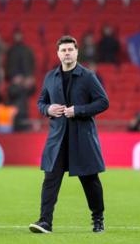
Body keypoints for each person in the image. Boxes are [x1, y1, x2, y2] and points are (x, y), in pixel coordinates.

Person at [30, 35, 109, 234]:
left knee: (90, 180)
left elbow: (103, 102)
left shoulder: (88, 76)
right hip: (58, 138)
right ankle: (44, 221)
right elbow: (40, 102)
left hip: (81, 137)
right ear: (58, 54)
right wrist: (48, 109)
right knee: (50, 179)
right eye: (63, 50)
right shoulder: (50, 77)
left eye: (70, 50)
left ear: (76, 52)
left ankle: (98, 219)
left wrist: (78, 110)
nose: (67, 53)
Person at [5, 30, 36, 131]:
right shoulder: (10, 51)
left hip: (26, 83)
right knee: (17, 92)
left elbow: (31, 67)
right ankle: (21, 122)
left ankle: (20, 122)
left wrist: (29, 78)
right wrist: (14, 79)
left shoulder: (27, 50)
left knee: (21, 92)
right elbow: (8, 70)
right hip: (14, 84)